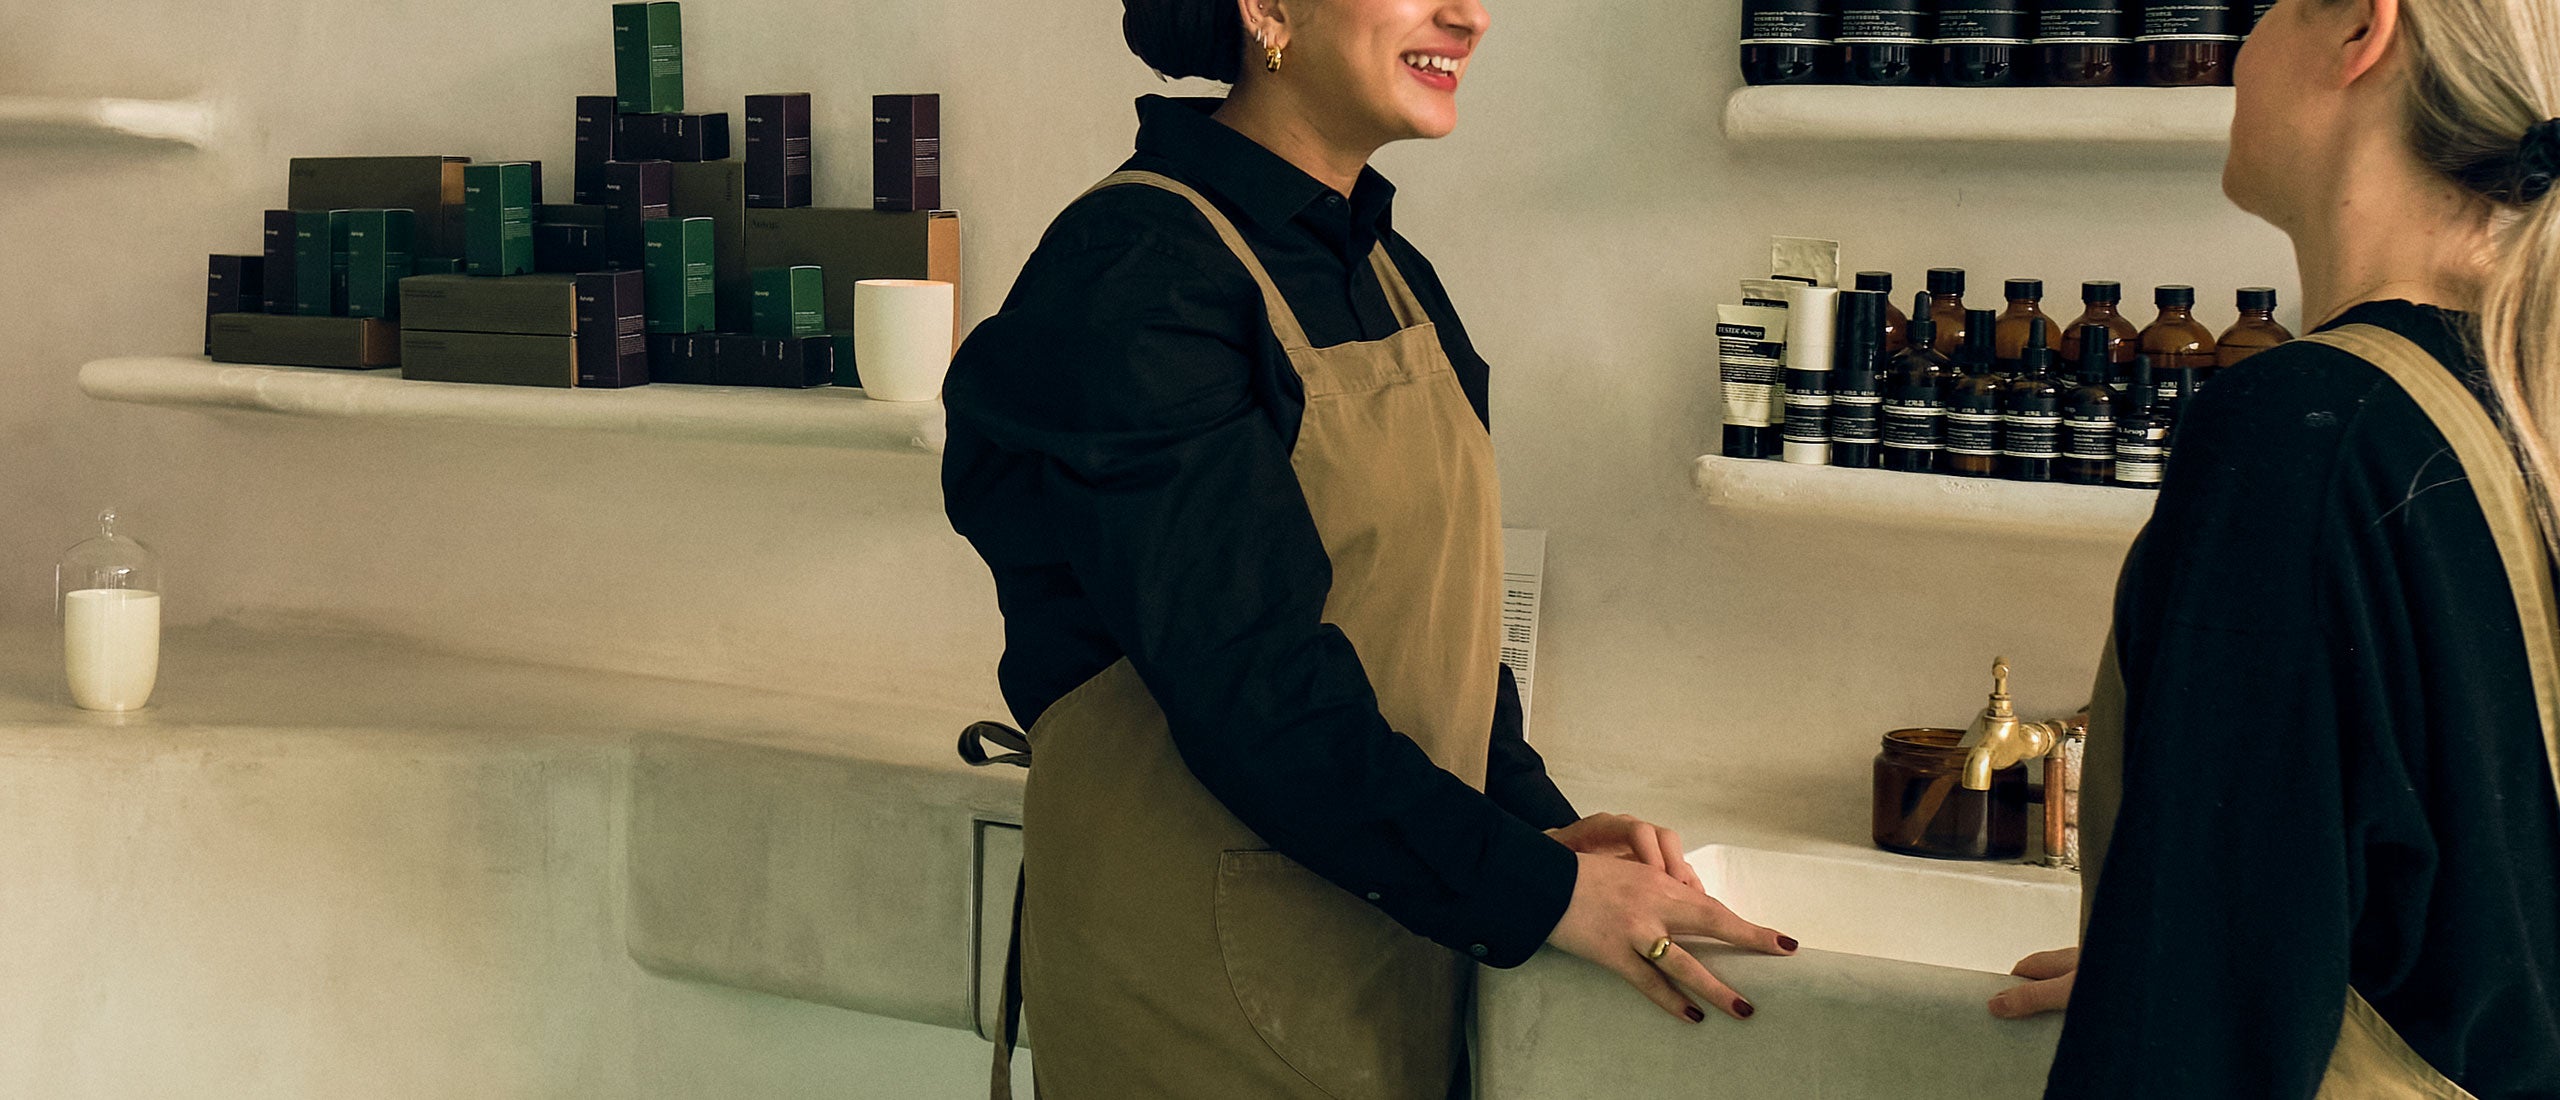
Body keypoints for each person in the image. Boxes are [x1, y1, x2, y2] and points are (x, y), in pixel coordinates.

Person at [940, 1, 1797, 1096]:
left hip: (1382, 938)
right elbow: (1255, 685)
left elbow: (1433, 615)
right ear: (1267, 8)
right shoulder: (1137, 275)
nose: (1468, 14)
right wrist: (1540, 890)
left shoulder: (1387, 269)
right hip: (1192, 988)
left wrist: (1543, 825)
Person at [1988, 0, 2560, 1095]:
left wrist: (2178, 981)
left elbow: (2190, 1059)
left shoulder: (2307, 432)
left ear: (2361, 31)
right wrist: (2180, 955)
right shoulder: (2514, 410)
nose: (2239, 50)